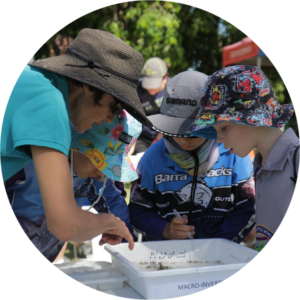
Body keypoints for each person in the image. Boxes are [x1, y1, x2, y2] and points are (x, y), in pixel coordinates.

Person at [1, 29, 152, 256]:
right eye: (113, 106)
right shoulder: (49, 104)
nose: (111, 119)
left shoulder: (36, 84)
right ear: (90, 85)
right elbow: (65, 224)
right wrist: (110, 222)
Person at [129, 71, 255, 243]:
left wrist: (218, 244)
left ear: (214, 124)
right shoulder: (152, 159)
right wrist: (165, 229)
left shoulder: (233, 154)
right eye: (173, 131)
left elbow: (247, 208)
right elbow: (137, 211)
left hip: (221, 255)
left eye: (193, 134)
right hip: (167, 258)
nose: (182, 140)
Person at [189, 65, 299, 252]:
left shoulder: (296, 160)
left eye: (224, 128)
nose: (219, 140)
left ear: (252, 118)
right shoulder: (260, 166)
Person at [7, 111, 141, 263]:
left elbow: (114, 202)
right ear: (76, 141)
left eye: (110, 166)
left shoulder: (98, 176)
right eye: (99, 159)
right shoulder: (28, 163)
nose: (102, 170)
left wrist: (125, 241)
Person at [133, 57, 171, 155]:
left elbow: (171, 120)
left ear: (165, 78)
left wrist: (156, 142)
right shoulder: (137, 88)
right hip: (142, 137)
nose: (150, 88)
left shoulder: (173, 89)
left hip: (165, 137)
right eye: (148, 83)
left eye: (154, 84)